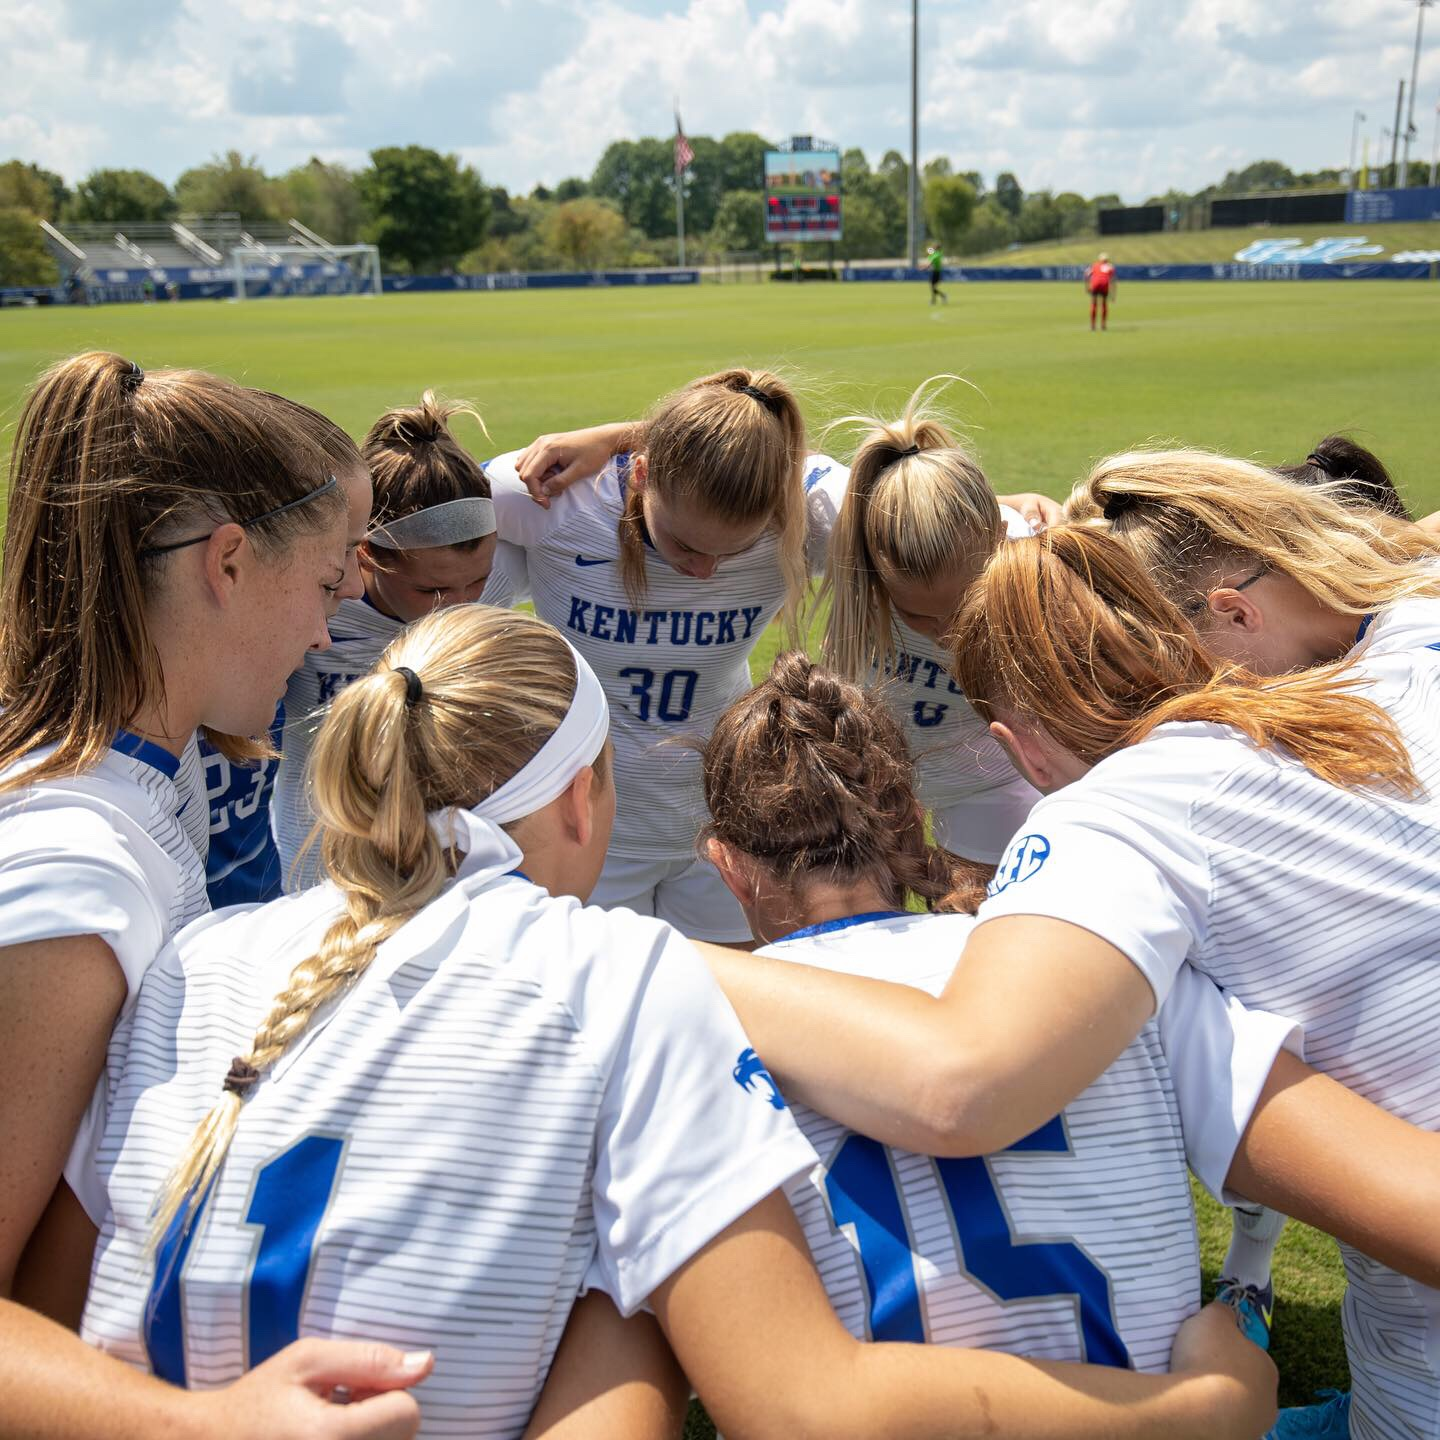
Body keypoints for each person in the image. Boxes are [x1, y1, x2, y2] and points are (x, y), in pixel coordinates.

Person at [74, 605, 1276, 1440]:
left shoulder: (203, 959)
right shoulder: (637, 978)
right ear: (587, 794)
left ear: (723, 860)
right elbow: (800, 1398)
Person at [697, 523, 1440, 1440]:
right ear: (910, 824)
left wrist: (625, 959)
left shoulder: (689, 1033)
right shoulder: (1126, 977)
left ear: (727, 866)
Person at [0, 352, 391, 1415]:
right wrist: (200, 1426)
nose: (324, 633)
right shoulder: (76, 877)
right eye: (321, 586)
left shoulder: (144, 779)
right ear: (226, 562)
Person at [483, 369, 848, 941]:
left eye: (734, 552)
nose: (703, 572)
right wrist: (620, 439)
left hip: (727, 827)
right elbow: (408, 511)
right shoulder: (552, 497)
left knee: (727, 1009)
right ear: (644, 474)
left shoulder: (809, 508)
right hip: (590, 832)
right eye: (684, 545)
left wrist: (1010, 508)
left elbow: (918, 512)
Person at [274, 391, 526, 891]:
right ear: (365, 554)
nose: (457, 606)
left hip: (449, 862)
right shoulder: (308, 605)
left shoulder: (507, 570)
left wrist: (604, 438)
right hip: (322, 864)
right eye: (430, 589)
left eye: (476, 581)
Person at [820, 381, 1043, 862]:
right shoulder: (840, 522)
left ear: (1000, 538)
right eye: (917, 614)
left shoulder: (1034, 556)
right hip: (872, 772)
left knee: (983, 911)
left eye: (965, 605)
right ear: (867, 563)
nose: (947, 631)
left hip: (988, 775)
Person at [1086, 252, 1115, 330]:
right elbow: (1112, 280)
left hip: (1095, 285)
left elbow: (1086, 274)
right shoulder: (1110, 267)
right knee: (1104, 304)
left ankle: (1093, 325)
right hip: (1104, 286)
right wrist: (1113, 294)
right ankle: (1103, 325)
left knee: (1094, 304)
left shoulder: (1095, 265)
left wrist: (1087, 286)